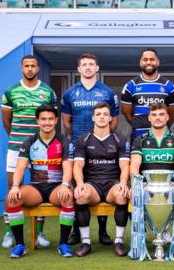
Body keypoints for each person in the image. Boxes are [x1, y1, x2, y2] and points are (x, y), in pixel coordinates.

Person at [61, 53, 119, 246]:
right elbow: (66, 122)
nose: (87, 67)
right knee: (78, 186)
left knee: (103, 181)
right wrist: (79, 138)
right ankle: (76, 232)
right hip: (77, 146)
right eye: (84, 64)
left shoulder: (107, 92)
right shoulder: (70, 93)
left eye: (91, 64)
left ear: (97, 68)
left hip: (102, 145)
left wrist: (102, 140)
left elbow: (115, 120)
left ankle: (103, 232)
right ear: (78, 69)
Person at [1, 55, 57, 249]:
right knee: (11, 188)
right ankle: (9, 233)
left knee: (42, 186)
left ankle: (39, 233)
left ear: (38, 68)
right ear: (21, 68)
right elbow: (6, 121)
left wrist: (35, 142)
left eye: (33, 66)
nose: (30, 69)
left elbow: (50, 120)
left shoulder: (47, 91)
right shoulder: (11, 91)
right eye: (27, 66)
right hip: (16, 146)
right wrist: (20, 140)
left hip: (40, 148)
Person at [5, 105, 75, 258]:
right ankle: (20, 246)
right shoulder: (29, 142)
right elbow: (20, 169)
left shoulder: (64, 141)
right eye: (43, 119)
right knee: (12, 198)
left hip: (56, 187)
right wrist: (15, 186)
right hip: (36, 188)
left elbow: (68, 167)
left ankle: (63, 244)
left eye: (50, 119)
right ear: (37, 121)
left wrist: (65, 185)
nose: (47, 122)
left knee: (68, 196)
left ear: (56, 120)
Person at [72, 102, 130, 257]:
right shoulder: (83, 139)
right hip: (93, 184)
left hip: (112, 183)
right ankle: (86, 242)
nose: (102, 117)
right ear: (93, 118)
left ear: (110, 117)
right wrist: (79, 184)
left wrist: (123, 183)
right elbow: (77, 165)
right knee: (81, 196)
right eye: (98, 114)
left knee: (122, 195)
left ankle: (118, 241)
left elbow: (125, 166)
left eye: (105, 114)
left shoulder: (120, 139)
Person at [121, 48, 174, 140]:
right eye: (145, 60)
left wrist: (161, 126)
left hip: (162, 137)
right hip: (138, 137)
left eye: (152, 59)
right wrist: (138, 125)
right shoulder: (130, 86)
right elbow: (127, 114)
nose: (148, 62)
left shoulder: (169, 86)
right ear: (140, 62)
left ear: (158, 62)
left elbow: (171, 115)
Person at [130, 102, 174, 179]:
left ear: (167, 117)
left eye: (161, 114)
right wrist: (137, 188)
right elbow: (134, 167)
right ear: (149, 118)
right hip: (145, 187)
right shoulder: (140, 140)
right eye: (154, 115)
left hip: (170, 187)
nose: (157, 118)